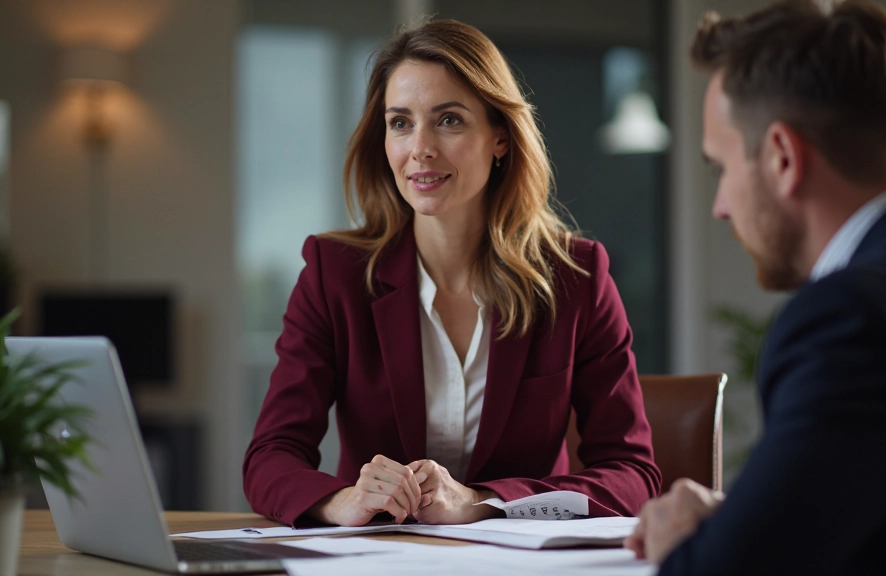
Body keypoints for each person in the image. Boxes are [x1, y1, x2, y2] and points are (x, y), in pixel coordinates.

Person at [243, 19, 660, 528]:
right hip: (375, 560)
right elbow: (270, 456)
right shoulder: (335, 275)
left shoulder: (577, 278)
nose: (420, 148)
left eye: (449, 120)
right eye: (400, 123)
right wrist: (341, 501)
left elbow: (633, 474)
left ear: (500, 137)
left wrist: (480, 502)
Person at [624, 1, 886, 573]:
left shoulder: (856, 321)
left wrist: (683, 540)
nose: (720, 207)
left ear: (782, 158)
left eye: (722, 170)